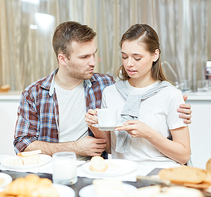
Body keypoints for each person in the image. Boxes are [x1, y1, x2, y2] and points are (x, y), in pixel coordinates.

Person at [14, 21, 192, 160]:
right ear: (63, 59)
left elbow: (143, 91)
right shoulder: (34, 94)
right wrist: (75, 147)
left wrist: (174, 100)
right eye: (84, 57)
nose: (93, 62)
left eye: (94, 54)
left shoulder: (105, 85)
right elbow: (21, 144)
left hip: (96, 168)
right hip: (51, 168)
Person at [85, 24, 191, 167]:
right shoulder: (110, 93)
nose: (129, 64)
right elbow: (111, 148)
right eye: (124, 56)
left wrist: (148, 133)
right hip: (122, 171)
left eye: (137, 58)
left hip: (159, 171)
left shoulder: (171, 95)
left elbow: (184, 155)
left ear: (155, 55)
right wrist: (94, 126)